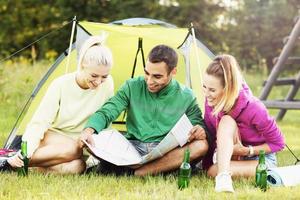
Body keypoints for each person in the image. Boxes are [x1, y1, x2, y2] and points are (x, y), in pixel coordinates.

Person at [79, 44, 209, 176]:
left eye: (157, 76)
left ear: (173, 72)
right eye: (147, 73)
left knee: (201, 146)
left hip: (166, 153)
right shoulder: (131, 86)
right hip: (132, 149)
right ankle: (159, 171)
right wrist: (89, 130)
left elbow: (198, 125)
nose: (149, 81)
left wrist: (199, 130)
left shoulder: (187, 95)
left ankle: (139, 172)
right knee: (92, 143)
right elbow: (108, 111)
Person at [21, 35, 114, 174]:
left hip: (81, 144)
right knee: (74, 148)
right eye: (94, 76)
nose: (99, 82)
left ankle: (32, 168)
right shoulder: (61, 84)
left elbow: (105, 117)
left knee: (78, 167)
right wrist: (26, 149)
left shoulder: (107, 84)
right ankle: (18, 160)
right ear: (82, 65)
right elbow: (39, 122)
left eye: (104, 76)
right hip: (52, 140)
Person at [202, 54, 285, 192]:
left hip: (260, 159)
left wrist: (247, 151)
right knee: (211, 170)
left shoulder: (255, 108)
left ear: (227, 89)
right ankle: (224, 176)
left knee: (213, 171)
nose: (206, 94)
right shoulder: (211, 102)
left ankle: (223, 174)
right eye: (204, 87)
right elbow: (210, 133)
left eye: (212, 90)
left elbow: (278, 143)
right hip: (234, 156)